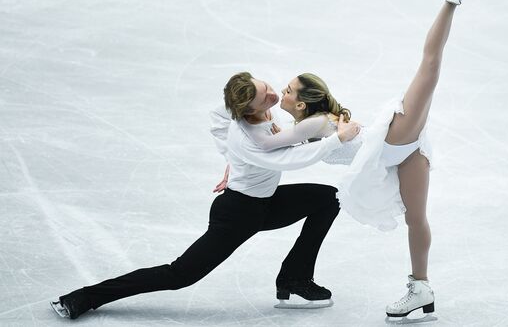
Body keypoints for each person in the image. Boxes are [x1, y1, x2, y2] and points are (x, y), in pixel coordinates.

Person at [214, 0, 475, 321]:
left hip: (394, 139)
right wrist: (232, 161)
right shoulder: (306, 126)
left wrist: (234, 155)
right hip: (401, 157)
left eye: (287, 90)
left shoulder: (312, 125)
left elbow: (265, 145)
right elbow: (270, 143)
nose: (280, 94)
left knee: (429, 66)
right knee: (416, 220)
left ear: (301, 105)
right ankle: (421, 287)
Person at [50, 75, 361, 319]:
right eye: (262, 97)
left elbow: (219, 119)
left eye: (264, 86)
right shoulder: (253, 140)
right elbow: (288, 160)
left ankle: (294, 279)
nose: (272, 94)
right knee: (180, 274)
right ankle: (84, 297)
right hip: (237, 214)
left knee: (328, 199)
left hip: (265, 202)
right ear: (249, 110)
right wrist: (337, 140)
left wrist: (232, 160)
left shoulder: (240, 107)